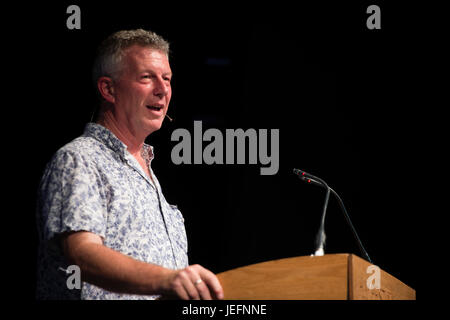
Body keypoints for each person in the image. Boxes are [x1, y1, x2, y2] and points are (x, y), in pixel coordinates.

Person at [35, 29, 224, 300]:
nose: (162, 89)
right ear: (108, 89)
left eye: (167, 79)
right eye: (147, 78)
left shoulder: (146, 171)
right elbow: (82, 254)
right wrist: (167, 279)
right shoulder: (79, 159)